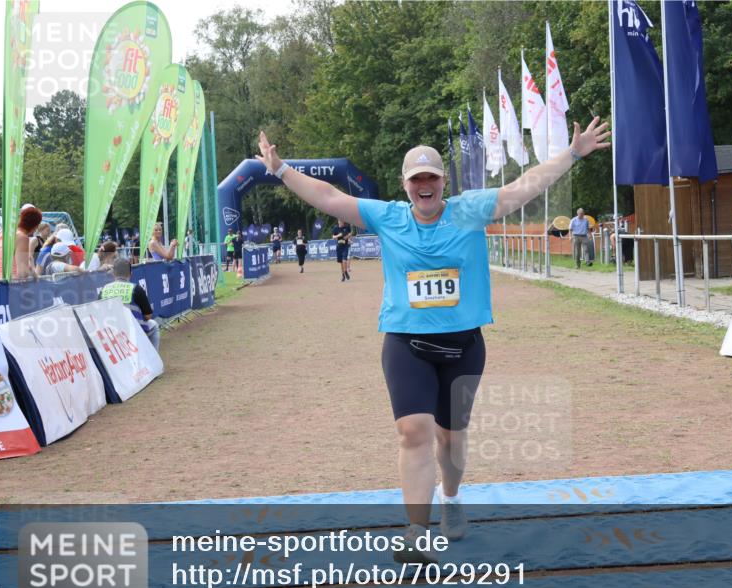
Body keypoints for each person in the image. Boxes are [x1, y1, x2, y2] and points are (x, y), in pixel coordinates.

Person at [255, 116, 610, 563]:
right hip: (407, 343)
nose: (425, 186)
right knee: (414, 432)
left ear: (443, 182)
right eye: (416, 179)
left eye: (432, 178)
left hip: (463, 346)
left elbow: (524, 188)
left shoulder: (470, 210)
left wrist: (573, 153)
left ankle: (453, 497)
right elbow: (329, 197)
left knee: (450, 440)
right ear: (406, 185)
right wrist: (280, 168)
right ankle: (416, 532)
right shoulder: (387, 217)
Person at [101, 258, 160, 351]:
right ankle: (153, 358)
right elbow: (148, 316)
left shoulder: (104, 289)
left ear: (113, 274)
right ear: (130, 274)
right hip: (133, 331)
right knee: (154, 325)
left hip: (110, 331)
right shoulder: (136, 289)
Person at [0, 205, 41, 281]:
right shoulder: (22, 237)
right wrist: (35, 276)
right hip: (10, 284)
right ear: (35, 225)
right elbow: (23, 273)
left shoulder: (4, 231)